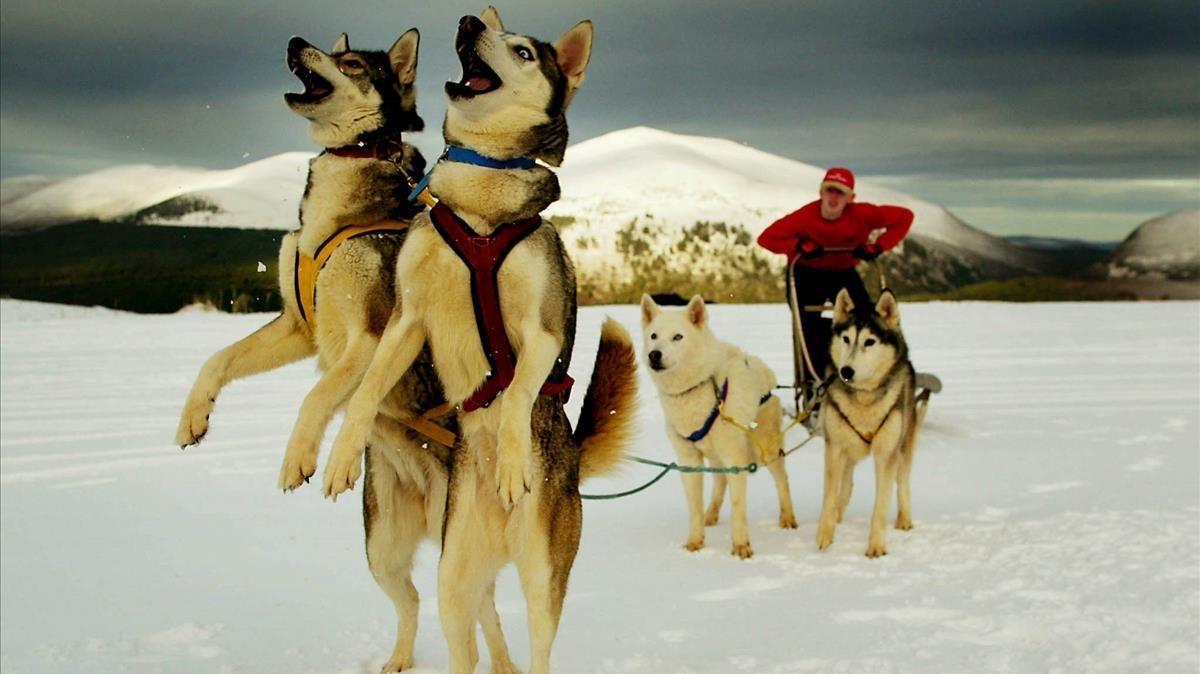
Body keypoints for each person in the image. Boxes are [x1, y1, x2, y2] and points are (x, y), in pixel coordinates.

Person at [757, 167, 913, 384]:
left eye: (840, 193)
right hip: (806, 274)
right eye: (830, 190)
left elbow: (904, 217)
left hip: (843, 272)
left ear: (850, 198)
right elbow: (767, 238)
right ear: (821, 192)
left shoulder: (862, 215)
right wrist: (799, 245)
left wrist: (878, 246)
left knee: (867, 319)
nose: (833, 197)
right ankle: (813, 380)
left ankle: (871, 372)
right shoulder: (805, 217)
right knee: (808, 326)